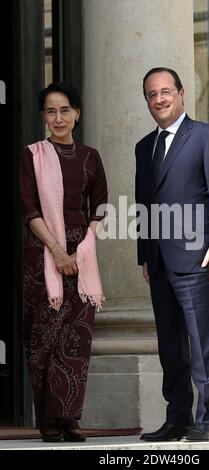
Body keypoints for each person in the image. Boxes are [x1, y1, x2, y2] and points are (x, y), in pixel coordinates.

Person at [135, 67, 209, 442]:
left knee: (205, 342)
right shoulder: (144, 146)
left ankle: (208, 419)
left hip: (201, 257)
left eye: (165, 91)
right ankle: (176, 417)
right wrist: (145, 252)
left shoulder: (207, 136)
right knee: (171, 348)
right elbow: (145, 200)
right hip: (160, 261)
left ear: (180, 93)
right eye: (151, 94)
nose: (159, 99)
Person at [20, 82, 107, 442]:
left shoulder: (90, 157)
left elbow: (100, 208)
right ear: (44, 116)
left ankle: (69, 418)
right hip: (42, 253)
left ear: (77, 114)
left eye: (65, 110)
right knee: (44, 339)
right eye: (51, 111)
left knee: (76, 340)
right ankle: (48, 422)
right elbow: (29, 208)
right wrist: (57, 251)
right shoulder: (32, 155)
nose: (58, 118)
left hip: (82, 254)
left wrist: (81, 251)